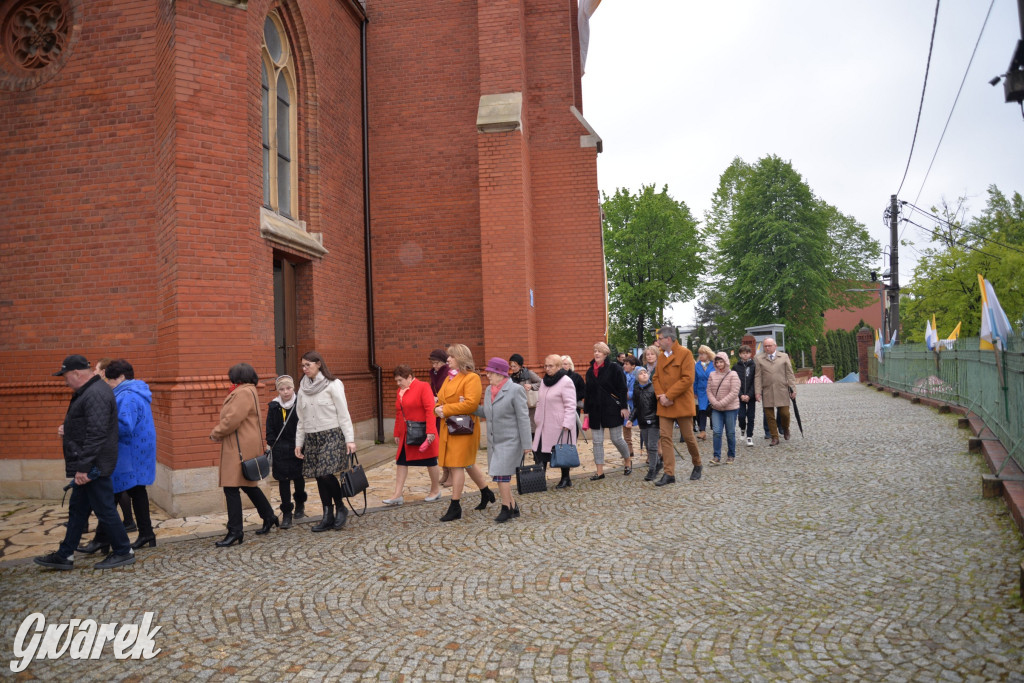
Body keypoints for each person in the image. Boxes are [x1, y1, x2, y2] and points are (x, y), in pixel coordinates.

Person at [35, 354, 135, 570]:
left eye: (65, 377)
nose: (65, 382)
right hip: (90, 464)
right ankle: (65, 554)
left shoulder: (95, 393)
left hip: (93, 467)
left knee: (105, 509)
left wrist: (84, 468)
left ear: (76, 374)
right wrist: (69, 430)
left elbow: (97, 433)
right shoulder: (91, 391)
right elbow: (88, 426)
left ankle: (123, 550)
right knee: (78, 509)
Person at [209, 363, 278, 546]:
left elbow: (232, 419)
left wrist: (216, 432)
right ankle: (269, 516)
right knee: (247, 484)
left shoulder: (242, 393)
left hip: (238, 447)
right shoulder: (249, 390)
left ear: (237, 377)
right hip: (243, 444)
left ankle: (235, 530)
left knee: (231, 487)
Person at [295, 351, 358, 531]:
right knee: (319, 477)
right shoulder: (303, 388)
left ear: (318, 364)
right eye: (303, 366)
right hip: (312, 437)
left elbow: (343, 413)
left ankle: (340, 507)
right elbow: (301, 418)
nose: (305, 369)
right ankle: (327, 515)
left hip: (331, 434)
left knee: (325, 473)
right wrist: (299, 443)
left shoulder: (333, 384)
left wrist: (350, 439)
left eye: (308, 365)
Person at [434, 343, 494, 521]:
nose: (448, 360)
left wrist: (446, 409)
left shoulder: (472, 378)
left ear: (460, 357)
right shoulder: (449, 377)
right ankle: (486, 492)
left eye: (451, 356)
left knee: (457, 464)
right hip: (449, 427)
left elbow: (471, 404)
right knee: (467, 463)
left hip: (464, 429)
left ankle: (455, 505)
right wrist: (437, 408)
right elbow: (441, 399)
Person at [105, 359, 157, 550]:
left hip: (130, 452)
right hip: (137, 450)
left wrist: (103, 427)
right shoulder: (135, 391)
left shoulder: (127, 395)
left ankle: (103, 539)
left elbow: (124, 426)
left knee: (117, 492)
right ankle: (146, 534)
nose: (109, 384)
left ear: (121, 377)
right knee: (135, 492)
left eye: (110, 380)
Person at [475, 357, 533, 522]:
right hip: (495, 442)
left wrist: (527, 444)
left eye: (491, 373)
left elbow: (523, 418)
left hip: (511, 441)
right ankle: (513, 507)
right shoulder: (488, 390)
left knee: (502, 476)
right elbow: (487, 412)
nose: (488, 375)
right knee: (500, 475)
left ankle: (506, 508)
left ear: (500, 374)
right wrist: (469, 407)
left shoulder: (516, 390)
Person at [651, 326, 703, 484]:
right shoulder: (661, 356)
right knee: (665, 438)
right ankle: (669, 473)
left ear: (668, 339)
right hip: (665, 403)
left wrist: (669, 395)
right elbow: (656, 378)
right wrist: (661, 396)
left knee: (688, 437)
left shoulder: (685, 353)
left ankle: (697, 463)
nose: (657, 342)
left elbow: (687, 379)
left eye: (660, 339)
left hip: (680, 402)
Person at [386, 364, 442, 505]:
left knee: (430, 461)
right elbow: (399, 412)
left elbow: (430, 409)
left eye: (400, 380)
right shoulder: (400, 391)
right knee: (401, 461)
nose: (398, 384)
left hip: (423, 432)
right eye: (397, 381)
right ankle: (397, 494)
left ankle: (435, 490)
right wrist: (397, 432)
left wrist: (430, 431)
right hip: (407, 433)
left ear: (409, 377)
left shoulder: (423, 387)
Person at [583, 342, 631, 479]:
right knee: (597, 442)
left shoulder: (614, 368)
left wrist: (623, 407)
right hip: (595, 410)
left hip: (612, 409)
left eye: (599, 351)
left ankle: (627, 460)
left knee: (616, 439)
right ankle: (600, 471)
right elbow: (588, 392)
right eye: (595, 351)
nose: (596, 353)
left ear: (605, 354)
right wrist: (586, 411)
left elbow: (622, 388)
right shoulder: (590, 371)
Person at [533, 354, 578, 489]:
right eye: (545, 365)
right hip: (543, 424)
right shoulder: (544, 381)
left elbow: (571, 404)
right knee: (541, 452)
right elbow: (540, 401)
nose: (547, 368)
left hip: (559, 424)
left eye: (550, 366)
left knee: (561, 451)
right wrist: (537, 417)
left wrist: (567, 423)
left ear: (558, 366)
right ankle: (540, 480)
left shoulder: (566, 381)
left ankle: (566, 478)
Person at [267, 375, 304, 529]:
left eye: (288, 388)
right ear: (278, 391)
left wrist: (301, 445)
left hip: (298, 446)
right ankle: (287, 512)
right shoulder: (274, 406)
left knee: (298, 477)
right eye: (282, 389)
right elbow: (269, 430)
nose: (286, 392)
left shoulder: (299, 403)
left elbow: (304, 424)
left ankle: (300, 503)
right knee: (283, 481)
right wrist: (274, 444)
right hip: (280, 450)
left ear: (293, 388)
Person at [754, 337, 796, 446]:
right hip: (767, 390)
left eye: (769, 345)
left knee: (785, 413)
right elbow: (757, 376)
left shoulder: (784, 357)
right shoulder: (759, 359)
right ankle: (774, 437)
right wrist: (757, 392)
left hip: (782, 389)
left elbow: (790, 374)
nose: (767, 348)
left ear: (775, 346)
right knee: (769, 416)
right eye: (765, 346)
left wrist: (793, 389)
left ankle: (785, 428)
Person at [706, 352, 740, 465]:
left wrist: (722, 403)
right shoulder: (712, 375)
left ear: (725, 362)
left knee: (730, 432)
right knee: (716, 432)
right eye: (717, 362)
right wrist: (715, 403)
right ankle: (716, 456)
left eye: (721, 362)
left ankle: (731, 455)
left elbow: (734, 392)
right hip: (716, 409)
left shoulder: (733, 374)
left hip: (730, 408)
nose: (719, 364)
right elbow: (709, 390)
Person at [628, 367, 661, 481]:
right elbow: (636, 407)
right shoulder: (636, 389)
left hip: (654, 421)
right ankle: (657, 463)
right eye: (641, 373)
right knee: (648, 445)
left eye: (645, 372)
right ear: (637, 378)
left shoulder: (654, 388)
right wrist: (631, 419)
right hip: (643, 422)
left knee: (652, 446)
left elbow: (658, 405)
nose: (644, 374)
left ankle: (652, 470)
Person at [732, 344, 757, 447]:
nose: (745, 355)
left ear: (750, 354)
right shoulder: (736, 367)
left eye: (747, 353)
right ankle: (742, 428)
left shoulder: (754, 366)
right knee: (741, 416)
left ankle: (749, 436)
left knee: (751, 417)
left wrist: (750, 395)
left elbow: (755, 382)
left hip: (751, 396)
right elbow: (733, 382)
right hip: (740, 395)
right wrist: (741, 394)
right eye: (743, 353)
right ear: (740, 354)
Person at [509, 353, 541, 430]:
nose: (512, 368)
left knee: (531, 427)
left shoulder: (529, 373)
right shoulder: (511, 377)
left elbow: (541, 383)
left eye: (514, 366)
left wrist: (531, 386)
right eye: (511, 366)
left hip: (529, 405)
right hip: (518, 405)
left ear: (520, 365)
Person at [693, 345, 714, 440]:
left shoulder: (714, 364)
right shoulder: (697, 365)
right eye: (699, 354)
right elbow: (695, 379)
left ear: (708, 354)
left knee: (712, 409)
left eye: (703, 354)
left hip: (712, 390)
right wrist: (694, 391)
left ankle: (716, 426)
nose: (701, 356)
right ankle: (702, 431)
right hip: (701, 391)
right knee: (702, 411)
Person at [621, 355, 639, 462]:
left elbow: (639, 387)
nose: (624, 366)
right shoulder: (622, 375)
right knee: (626, 426)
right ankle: (629, 449)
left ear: (633, 366)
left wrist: (630, 394)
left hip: (636, 404)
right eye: (624, 364)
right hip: (626, 405)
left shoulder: (637, 375)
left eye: (627, 364)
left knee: (643, 428)